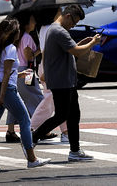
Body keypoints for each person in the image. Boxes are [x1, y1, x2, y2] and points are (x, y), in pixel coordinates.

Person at [31, 5, 101, 162]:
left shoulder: (57, 30)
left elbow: (71, 48)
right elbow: (76, 51)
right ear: (68, 15)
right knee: (62, 114)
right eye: (74, 22)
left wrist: (83, 43)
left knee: (73, 114)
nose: (74, 25)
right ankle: (33, 138)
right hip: (61, 81)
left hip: (66, 80)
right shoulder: (58, 31)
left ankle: (75, 150)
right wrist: (92, 43)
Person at [0, 19, 50, 171]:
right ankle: (32, 159)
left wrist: (19, 74)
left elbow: (1, 72)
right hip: (6, 91)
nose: (20, 32)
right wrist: (3, 95)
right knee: (25, 121)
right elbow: (5, 74)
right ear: (13, 33)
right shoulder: (11, 48)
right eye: (18, 30)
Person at [5, 11, 45, 143]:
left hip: (16, 70)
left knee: (16, 101)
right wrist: (40, 50)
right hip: (26, 70)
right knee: (37, 97)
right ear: (27, 24)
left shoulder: (17, 37)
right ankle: (41, 128)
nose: (35, 23)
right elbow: (29, 57)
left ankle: (10, 131)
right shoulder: (27, 37)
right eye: (33, 20)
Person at [30, 10, 68, 144]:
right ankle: (32, 127)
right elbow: (46, 50)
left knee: (57, 101)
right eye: (59, 11)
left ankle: (65, 132)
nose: (61, 13)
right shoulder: (50, 28)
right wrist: (46, 70)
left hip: (49, 67)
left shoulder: (44, 28)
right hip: (50, 67)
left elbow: (43, 48)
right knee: (51, 100)